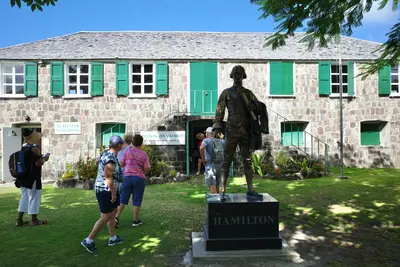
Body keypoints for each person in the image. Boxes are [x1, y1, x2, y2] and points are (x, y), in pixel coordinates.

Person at [213, 65, 263, 201]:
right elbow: (220, 110)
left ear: (243, 76)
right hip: (231, 129)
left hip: (245, 131)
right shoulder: (226, 93)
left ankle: (251, 189)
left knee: (248, 161)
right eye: (236, 74)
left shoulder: (248, 93)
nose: (238, 76)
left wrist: (254, 106)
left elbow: (259, 107)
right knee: (227, 160)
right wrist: (218, 125)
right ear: (232, 76)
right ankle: (222, 191)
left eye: (240, 74)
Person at [81, 135, 125, 253]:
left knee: (114, 211)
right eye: (122, 143)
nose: (123, 145)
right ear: (119, 145)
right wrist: (113, 193)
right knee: (106, 216)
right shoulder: (110, 158)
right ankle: (88, 240)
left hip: (110, 189)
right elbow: (108, 176)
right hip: (106, 190)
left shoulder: (108, 154)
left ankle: (113, 237)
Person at [16, 128, 50, 226]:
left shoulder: (23, 147)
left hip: (23, 177)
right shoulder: (34, 149)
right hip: (33, 177)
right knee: (34, 197)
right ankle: (34, 220)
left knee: (24, 198)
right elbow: (38, 163)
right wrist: (45, 158)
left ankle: (19, 220)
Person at [116, 134, 150, 227]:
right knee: (137, 199)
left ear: (133, 142)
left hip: (127, 178)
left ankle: (116, 218)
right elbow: (146, 168)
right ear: (141, 143)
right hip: (139, 178)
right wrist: (145, 173)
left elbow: (122, 164)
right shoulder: (144, 154)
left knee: (123, 199)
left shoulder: (128, 152)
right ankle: (135, 220)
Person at [200, 127, 225, 194]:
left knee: (211, 185)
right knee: (217, 184)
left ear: (207, 134)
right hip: (219, 165)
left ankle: (216, 202)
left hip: (210, 165)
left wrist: (203, 159)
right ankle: (219, 200)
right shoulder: (221, 141)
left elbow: (201, 148)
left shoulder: (206, 140)